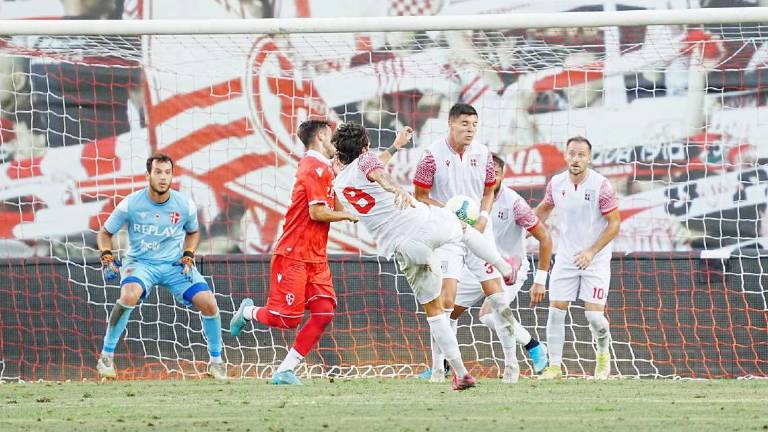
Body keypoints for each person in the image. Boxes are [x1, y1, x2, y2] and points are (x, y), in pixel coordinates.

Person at [332, 121, 519, 391]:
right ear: (364, 147)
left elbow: (368, 172)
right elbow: (376, 172)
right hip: (423, 222)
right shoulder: (367, 161)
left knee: (435, 310)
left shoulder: (340, 184)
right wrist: (395, 188)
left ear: (340, 154)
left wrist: (395, 147)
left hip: (403, 247)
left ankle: (460, 373)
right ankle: (504, 268)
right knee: (464, 230)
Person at [229, 119, 359, 385]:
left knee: (324, 312)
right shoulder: (312, 167)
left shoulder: (324, 168)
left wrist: (339, 182)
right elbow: (317, 212)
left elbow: (332, 202)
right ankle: (247, 312)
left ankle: (284, 370)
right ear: (322, 136)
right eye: (331, 135)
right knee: (288, 319)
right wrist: (347, 215)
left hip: (316, 256)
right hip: (294, 254)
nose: (335, 142)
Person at [96, 153, 226, 380]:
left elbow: (193, 232)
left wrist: (188, 255)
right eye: (158, 172)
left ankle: (216, 363)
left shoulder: (185, 204)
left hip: (174, 265)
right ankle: (106, 358)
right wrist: (106, 255)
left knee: (209, 302)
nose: (163, 177)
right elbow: (105, 233)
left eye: (167, 173)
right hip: (140, 264)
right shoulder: (130, 203)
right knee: (129, 295)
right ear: (148, 175)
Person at [412, 102, 509, 382]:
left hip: (477, 231)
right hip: (446, 233)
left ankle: (512, 367)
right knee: (446, 302)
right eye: (465, 124)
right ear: (451, 124)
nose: (470, 130)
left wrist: (482, 217)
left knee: (499, 298)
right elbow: (419, 196)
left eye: (474, 125)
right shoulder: (431, 155)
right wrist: (449, 213)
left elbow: (490, 191)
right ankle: (437, 369)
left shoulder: (484, 154)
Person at [451, 154, 552, 383]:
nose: (490, 176)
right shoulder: (469, 200)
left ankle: (512, 368)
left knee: (494, 312)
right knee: (447, 312)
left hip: (509, 268)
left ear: (503, 175)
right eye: (487, 172)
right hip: (476, 266)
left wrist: (540, 279)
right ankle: (443, 366)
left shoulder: (514, 203)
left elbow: (545, 239)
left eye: (495, 172)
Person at [535, 136, 621, 380]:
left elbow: (614, 224)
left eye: (581, 154)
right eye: (572, 153)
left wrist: (591, 251)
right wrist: (525, 224)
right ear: (565, 155)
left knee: (595, 317)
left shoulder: (601, 185)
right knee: (555, 311)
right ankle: (554, 367)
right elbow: (545, 207)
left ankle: (603, 355)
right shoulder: (556, 183)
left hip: (596, 258)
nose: (576, 158)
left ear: (589, 158)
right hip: (566, 258)